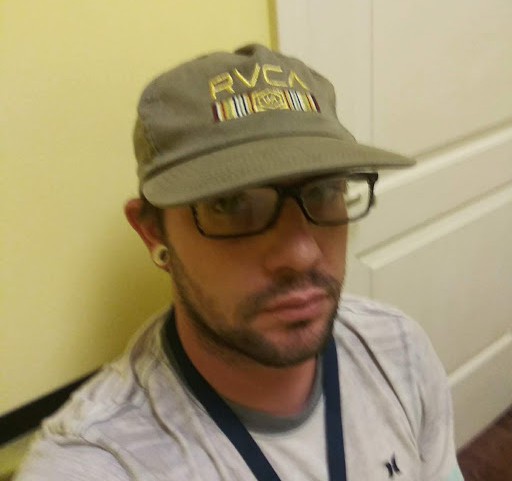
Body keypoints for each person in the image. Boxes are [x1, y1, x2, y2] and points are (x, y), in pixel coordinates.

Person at [15, 44, 464, 480]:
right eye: (230, 204)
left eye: (324, 191)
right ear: (153, 231)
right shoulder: (100, 463)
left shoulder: (398, 349)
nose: (301, 253)